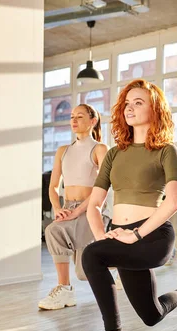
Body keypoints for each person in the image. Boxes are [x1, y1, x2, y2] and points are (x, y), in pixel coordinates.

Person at [81, 79, 177, 331]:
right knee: (152, 315)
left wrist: (136, 235)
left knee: (91, 256)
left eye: (138, 103)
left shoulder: (166, 150)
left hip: (153, 235)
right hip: (119, 236)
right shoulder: (114, 153)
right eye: (126, 104)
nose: (130, 109)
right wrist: (102, 236)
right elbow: (94, 204)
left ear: (155, 109)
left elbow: (173, 201)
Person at [39, 104, 108, 310]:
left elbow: (102, 186)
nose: (74, 120)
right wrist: (58, 208)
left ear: (93, 121)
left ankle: (122, 265)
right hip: (68, 209)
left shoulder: (100, 149)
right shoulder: (63, 151)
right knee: (53, 230)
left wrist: (78, 211)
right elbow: (53, 187)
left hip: (90, 210)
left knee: (84, 273)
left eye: (80, 116)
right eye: (71, 117)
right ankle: (65, 289)